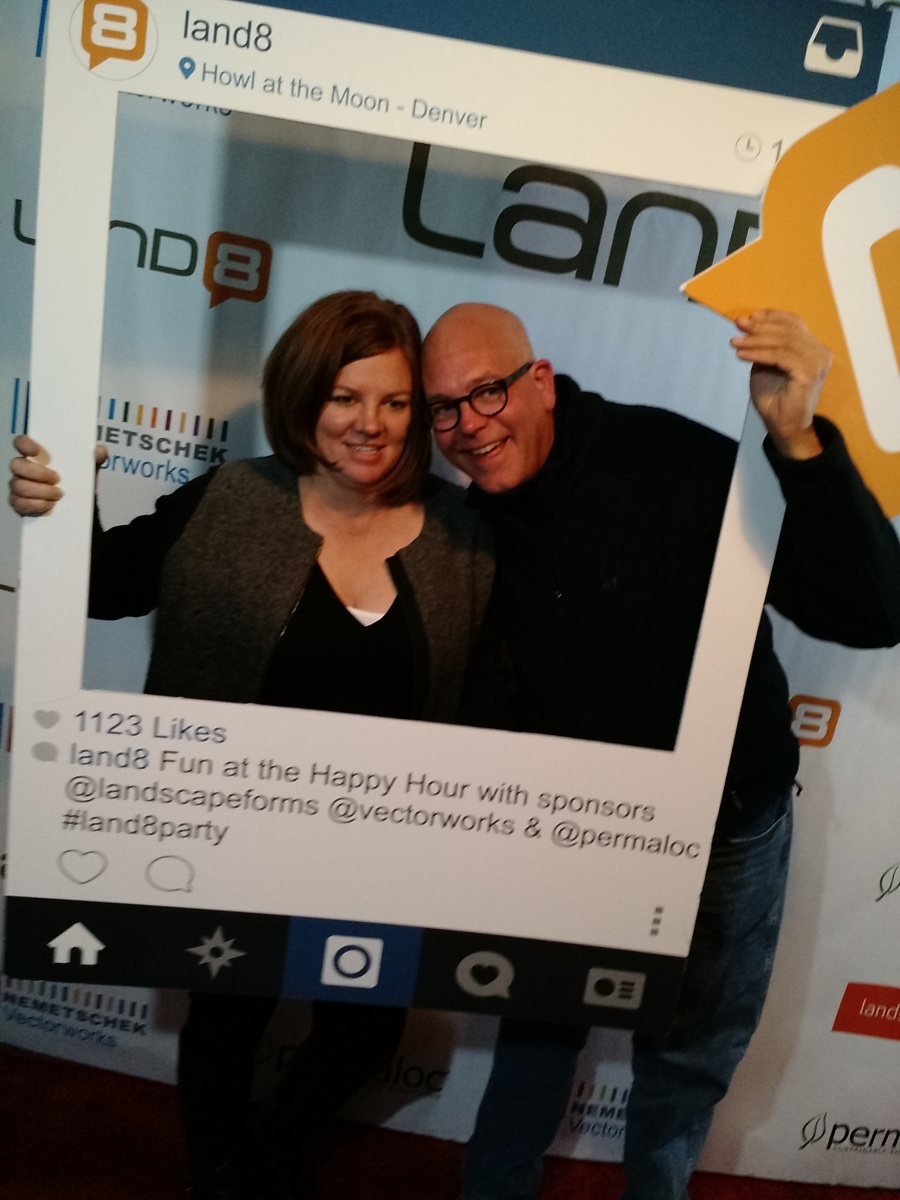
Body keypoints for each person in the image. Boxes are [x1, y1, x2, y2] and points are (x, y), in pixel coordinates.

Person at [10, 290, 494, 1200]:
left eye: (395, 401)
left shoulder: (464, 532)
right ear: (304, 396)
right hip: (234, 835)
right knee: (230, 1016)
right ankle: (218, 1175)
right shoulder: (231, 499)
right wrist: (55, 508)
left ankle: (270, 1165)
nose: (372, 424)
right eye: (346, 397)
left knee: (366, 1030)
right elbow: (103, 585)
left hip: (385, 846)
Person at [420, 304, 900, 1200]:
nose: (468, 426)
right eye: (442, 408)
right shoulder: (462, 519)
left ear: (540, 381)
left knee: (691, 1054)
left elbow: (873, 612)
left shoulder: (670, 463)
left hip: (727, 828)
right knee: (534, 1037)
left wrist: (798, 440)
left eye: (487, 391)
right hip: (568, 833)